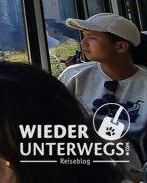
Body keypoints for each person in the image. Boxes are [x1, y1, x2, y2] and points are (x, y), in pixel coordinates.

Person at [59, 13, 146, 167]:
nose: (84, 43)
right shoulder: (74, 76)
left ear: (120, 46)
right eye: (84, 36)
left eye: (92, 37)